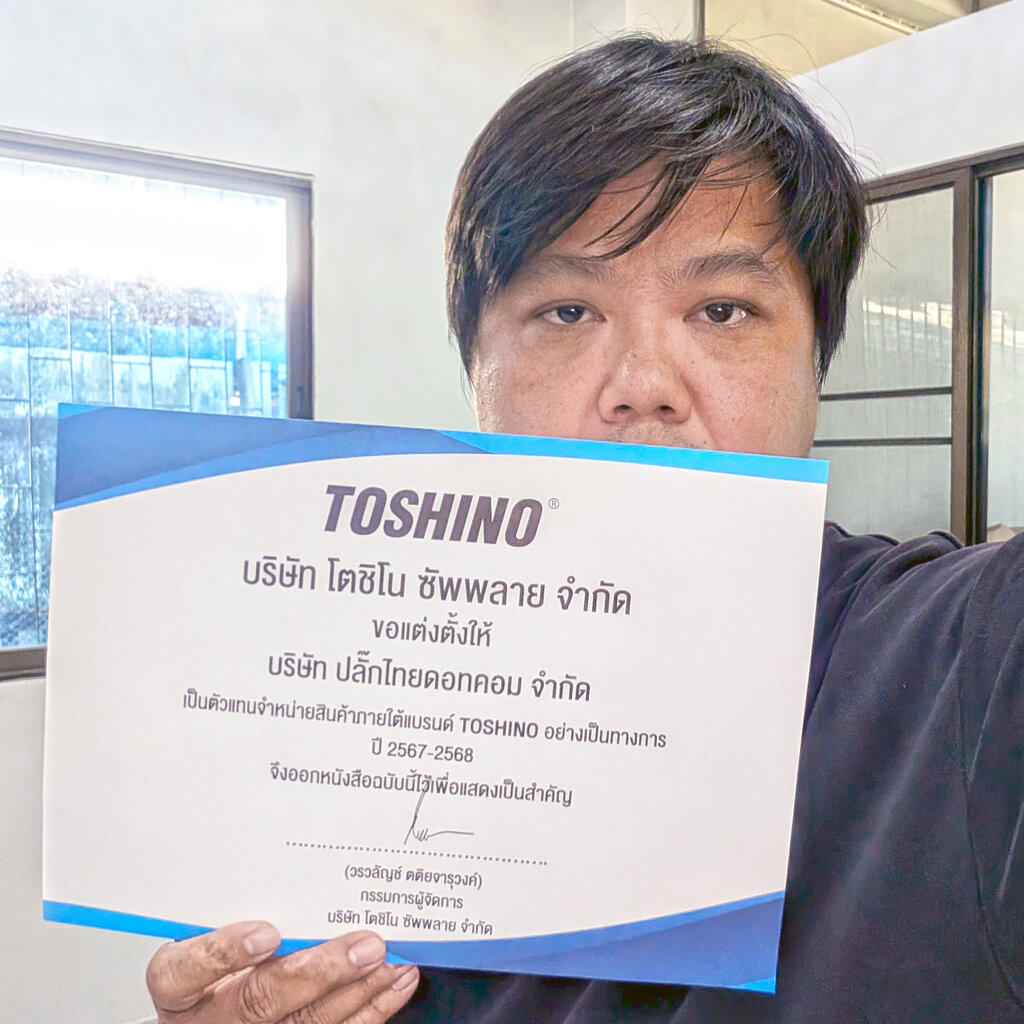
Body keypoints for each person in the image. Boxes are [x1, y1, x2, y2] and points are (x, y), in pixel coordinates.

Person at [145, 35, 1024, 1024]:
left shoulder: (957, 667)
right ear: (475, 373)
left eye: (723, 309)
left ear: (814, 362)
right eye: (567, 311)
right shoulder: (353, 713)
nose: (643, 386)